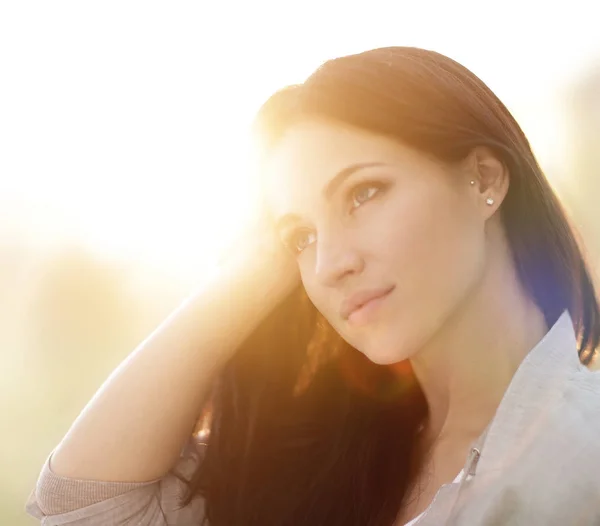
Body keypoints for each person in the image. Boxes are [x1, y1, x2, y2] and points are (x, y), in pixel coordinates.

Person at [26, 46, 600, 526]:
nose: (330, 265)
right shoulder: (324, 458)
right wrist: (263, 262)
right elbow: (83, 505)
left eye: (364, 193)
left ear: (484, 178)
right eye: (300, 237)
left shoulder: (580, 458)